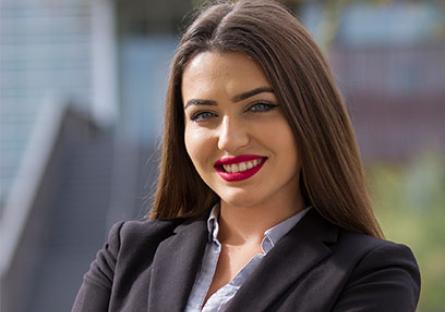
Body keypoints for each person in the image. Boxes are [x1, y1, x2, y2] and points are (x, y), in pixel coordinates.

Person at [72, 0, 420, 311]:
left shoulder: (373, 273)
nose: (230, 139)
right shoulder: (127, 255)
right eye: (204, 114)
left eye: (258, 106)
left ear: (310, 114)